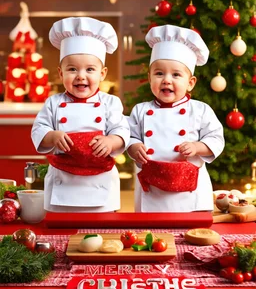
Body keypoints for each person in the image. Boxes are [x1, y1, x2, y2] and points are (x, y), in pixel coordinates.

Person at [31, 17, 130, 212]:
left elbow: (122, 130)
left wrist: (111, 141)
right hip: (63, 180)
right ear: (61, 73)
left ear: (102, 74)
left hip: (100, 180)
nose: (81, 76)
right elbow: (38, 129)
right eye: (72, 69)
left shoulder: (110, 102)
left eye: (90, 69)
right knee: (62, 227)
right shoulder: (53, 102)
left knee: (102, 227)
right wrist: (53, 136)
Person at [127, 24, 225, 212]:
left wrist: (197, 147)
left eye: (176, 74)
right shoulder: (140, 110)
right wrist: (134, 146)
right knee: (151, 232)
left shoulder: (200, 110)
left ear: (190, 83)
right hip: (151, 192)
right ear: (149, 78)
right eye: (159, 73)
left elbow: (216, 138)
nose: (166, 80)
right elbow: (128, 136)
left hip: (189, 193)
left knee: (190, 232)